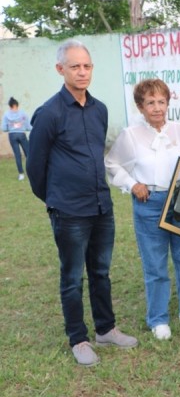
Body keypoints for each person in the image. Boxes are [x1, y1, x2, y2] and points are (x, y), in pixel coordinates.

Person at [27, 39, 138, 366]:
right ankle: (78, 338)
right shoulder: (49, 113)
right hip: (69, 211)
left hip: (101, 206)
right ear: (60, 69)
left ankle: (106, 329)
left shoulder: (99, 109)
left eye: (87, 66)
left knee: (101, 272)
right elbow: (35, 167)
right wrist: (55, 200)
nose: (82, 72)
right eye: (74, 66)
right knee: (72, 278)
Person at [106, 79, 180, 340]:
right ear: (140, 107)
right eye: (150, 103)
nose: (157, 108)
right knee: (155, 263)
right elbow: (111, 164)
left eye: (161, 102)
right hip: (150, 201)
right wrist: (132, 184)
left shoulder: (179, 130)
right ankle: (158, 318)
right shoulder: (130, 134)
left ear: (168, 103)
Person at [3, 97, 31, 180]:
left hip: (12, 135)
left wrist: (11, 128)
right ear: (17, 105)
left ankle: (21, 174)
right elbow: (28, 127)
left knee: (17, 155)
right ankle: (31, 172)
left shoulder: (6, 115)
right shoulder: (23, 114)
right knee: (28, 153)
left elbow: (4, 128)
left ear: (10, 106)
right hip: (22, 134)